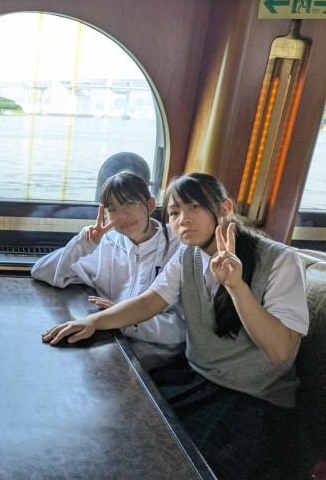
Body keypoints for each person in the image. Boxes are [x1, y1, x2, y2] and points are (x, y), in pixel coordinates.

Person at [42, 173, 309, 480]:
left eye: (194, 207)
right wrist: (91, 321)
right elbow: (148, 303)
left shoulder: (280, 261)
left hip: (254, 400)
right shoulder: (188, 254)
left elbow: (279, 352)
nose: (184, 220)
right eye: (174, 212)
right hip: (198, 380)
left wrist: (236, 287)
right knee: (122, 429)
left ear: (225, 208)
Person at [31, 171, 185, 370]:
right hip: (111, 338)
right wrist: (83, 244)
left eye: (130, 203)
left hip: (160, 351)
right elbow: (41, 272)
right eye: (112, 209)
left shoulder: (179, 246)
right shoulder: (106, 244)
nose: (122, 215)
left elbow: (181, 327)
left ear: (150, 204)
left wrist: (121, 318)